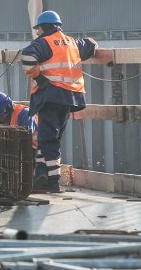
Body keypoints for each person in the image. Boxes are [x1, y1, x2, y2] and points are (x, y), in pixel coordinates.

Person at [22, 10, 98, 193]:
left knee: (48, 139)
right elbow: (92, 44)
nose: (38, 32)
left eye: (38, 29)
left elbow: (27, 58)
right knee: (49, 137)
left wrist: (39, 79)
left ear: (43, 27)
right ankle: (41, 175)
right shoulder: (72, 42)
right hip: (69, 97)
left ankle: (53, 181)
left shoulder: (42, 43)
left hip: (51, 96)